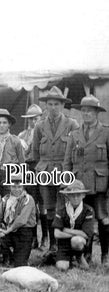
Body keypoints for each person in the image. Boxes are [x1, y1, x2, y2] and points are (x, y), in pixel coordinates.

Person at [32, 86, 78, 252]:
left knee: (64, 208)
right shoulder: (39, 126)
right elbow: (35, 153)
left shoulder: (71, 124)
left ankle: (65, 247)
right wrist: (43, 168)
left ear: (62, 105)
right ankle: (52, 245)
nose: (53, 107)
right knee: (49, 208)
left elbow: (76, 151)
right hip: (45, 172)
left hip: (64, 171)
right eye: (50, 104)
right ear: (46, 106)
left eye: (56, 104)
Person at [65, 94, 109, 265]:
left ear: (97, 113)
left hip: (100, 185)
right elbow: (67, 162)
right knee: (83, 219)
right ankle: (86, 255)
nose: (86, 114)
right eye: (83, 111)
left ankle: (105, 255)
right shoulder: (74, 134)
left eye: (90, 111)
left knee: (103, 218)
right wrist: (68, 183)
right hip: (80, 186)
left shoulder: (106, 132)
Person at [53, 180, 97, 271]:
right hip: (64, 244)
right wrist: (77, 233)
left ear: (83, 195)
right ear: (67, 196)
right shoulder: (61, 210)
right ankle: (66, 259)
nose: (75, 198)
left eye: (78, 195)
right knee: (62, 267)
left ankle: (79, 257)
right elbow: (56, 234)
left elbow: (86, 234)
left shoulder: (88, 210)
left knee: (76, 240)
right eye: (72, 195)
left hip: (79, 243)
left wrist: (65, 230)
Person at [0, 174, 37, 267]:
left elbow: (21, 220)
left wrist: (7, 231)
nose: (16, 189)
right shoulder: (5, 199)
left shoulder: (28, 199)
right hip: (9, 231)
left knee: (20, 265)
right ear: (9, 187)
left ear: (23, 186)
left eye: (19, 187)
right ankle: (8, 256)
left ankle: (18, 257)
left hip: (24, 232)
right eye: (13, 186)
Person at [19, 104, 44, 249]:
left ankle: (45, 237)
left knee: (44, 204)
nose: (33, 122)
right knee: (31, 204)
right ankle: (34, 237)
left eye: (35, 118)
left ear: (41, 118)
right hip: (27, 170)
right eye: (30, 119)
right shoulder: (22, 135)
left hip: (41, 169)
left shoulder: (44, 133)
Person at [0, 109, 25, 196]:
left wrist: (21, 179)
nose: (2, 125)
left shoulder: (16, 141)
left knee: (8, 199)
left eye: (4, 123)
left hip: (10, 174)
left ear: (9, 124)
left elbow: (22, 162)